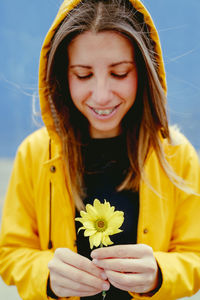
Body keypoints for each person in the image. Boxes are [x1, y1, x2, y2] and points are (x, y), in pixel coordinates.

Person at [0, 0, 200, 299]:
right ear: (61, 75)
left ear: (144, 72)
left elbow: (194, 255)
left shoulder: (177, 154)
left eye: (119, 73)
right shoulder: (34, 154)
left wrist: (160, 272)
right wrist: (47, 276)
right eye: (83, 75)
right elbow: (11, 253)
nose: (102, 96)